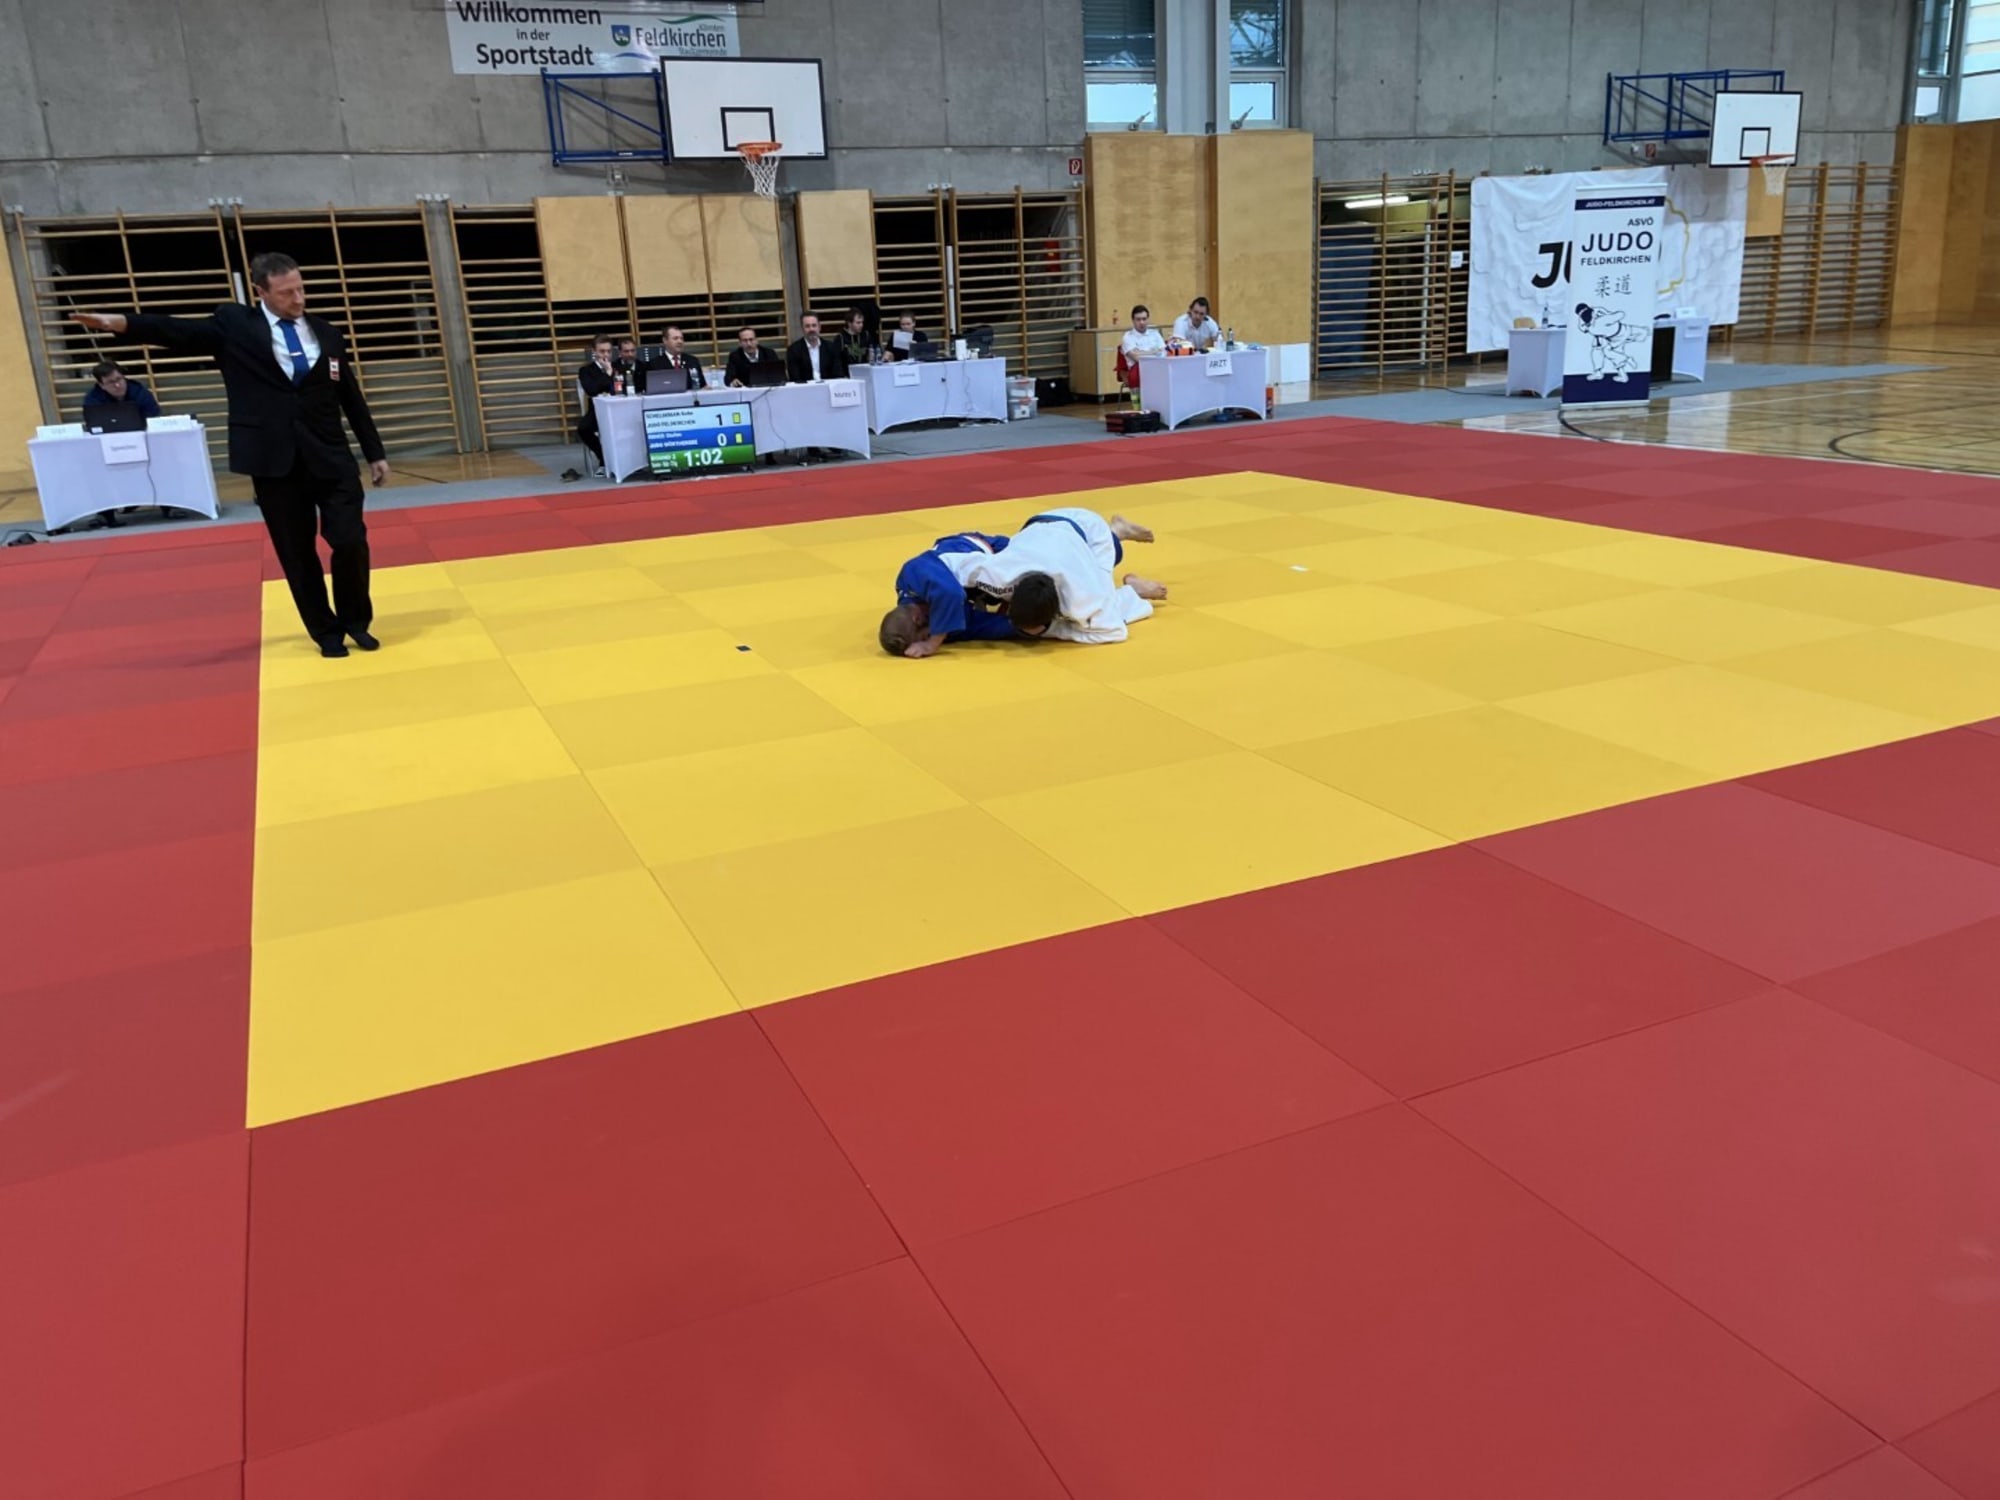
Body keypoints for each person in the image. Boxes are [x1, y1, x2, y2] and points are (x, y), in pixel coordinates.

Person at [71, 252, 389, 659]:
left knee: (350, 540)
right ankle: (325, 631)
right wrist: (121, 323)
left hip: (330, 455)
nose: (298, 299)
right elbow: (179, 331)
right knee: (297, 552)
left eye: (301, 289)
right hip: (273, 461)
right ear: (261, 292)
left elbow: (350, 395)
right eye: (286, 292)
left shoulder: (326, 333)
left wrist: (374, 451)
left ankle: (356, 620)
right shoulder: (236, 326)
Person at [942, 509, 1165, 647]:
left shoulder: (1080, 598)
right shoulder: (997, 574)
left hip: (1090, 529)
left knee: (1106, 605)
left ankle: (1132, 587)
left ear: (1056, 614)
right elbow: (946, 562)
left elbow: (1114, 631)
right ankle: (1118, 531)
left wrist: (1055, 631)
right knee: (1087, 576)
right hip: (1041, 523)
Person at [879, 530, 1063, 659]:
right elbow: (977, 628)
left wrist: (932, 644)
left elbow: (950, 594)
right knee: (1033, 617)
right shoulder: (940, 624)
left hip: (984, 548)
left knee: (1050, 566)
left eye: (923, 636)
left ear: (917, 618)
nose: (928, 637)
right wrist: (1020, 627)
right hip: (981, 587)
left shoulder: (913, 574)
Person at [575, 335, 617, 472]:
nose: (606, 355)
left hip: (618, 409)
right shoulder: (586, 371)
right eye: (602, 351)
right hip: (597, 411)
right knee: (583, 428)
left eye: (608, 351)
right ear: (594, 351)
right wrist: (608, 374)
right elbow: (591, 390)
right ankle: (603, 458)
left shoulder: (618, 367)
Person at [82, 360, 163, 419]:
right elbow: (93, 422)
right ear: (101, 385)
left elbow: (154, 418)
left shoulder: (140, 392)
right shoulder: (93, 398)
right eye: (111, 382)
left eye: (119, 379)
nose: (117, 385)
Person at [786, 313, 849, 384]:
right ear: (802, 329)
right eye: (807, 326)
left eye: (814, 325)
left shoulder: (831, 348)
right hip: (805, 388)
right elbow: (795, 378)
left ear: (819, 327)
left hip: (827, 387)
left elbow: (838, 374)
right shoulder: (794, 350)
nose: (811, 329)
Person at [641, 325, 704, 391]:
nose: (680, 341)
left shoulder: (693, 361)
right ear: (665, 340)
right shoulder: (653, 364)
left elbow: (702, 386)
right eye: (675, 338)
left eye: (681, 338)